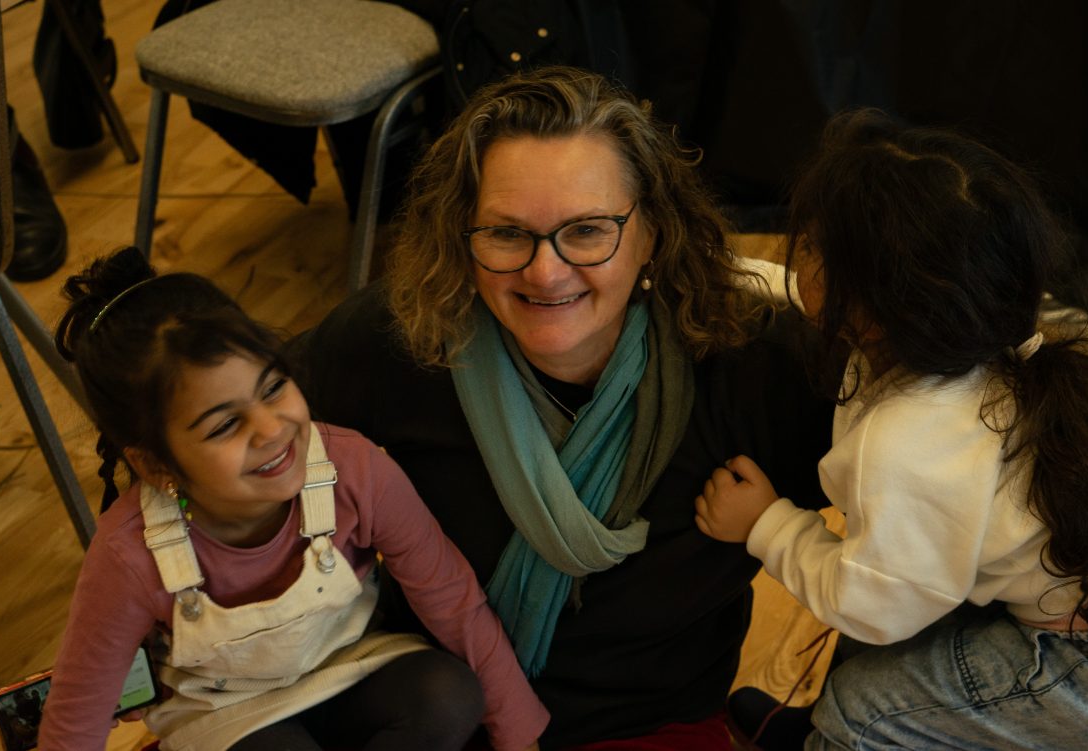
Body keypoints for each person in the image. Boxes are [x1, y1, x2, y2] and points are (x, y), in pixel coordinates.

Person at [694, 109, 1088, 750]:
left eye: (806, 243)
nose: (792, 249)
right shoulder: (990, 341)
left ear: (866, 301)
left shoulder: (907, 445)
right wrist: (724, 271)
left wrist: (766, 525)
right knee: (900, 585)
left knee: (865, 710)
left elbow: (874, 607)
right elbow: (808, 300)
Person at [296, 66, 835, 749]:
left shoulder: (752, 365)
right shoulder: (393, 343)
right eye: (505, 233)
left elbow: (937, 503)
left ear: (652, 233)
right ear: (459, 238)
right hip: (441, 714)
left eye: (586, 231)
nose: (544, 271)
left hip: (653, 728)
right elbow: (219, 426)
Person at [37, 247, 548, 750]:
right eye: (225, 425)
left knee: (450, 695)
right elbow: (79, 707)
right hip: (229, 716)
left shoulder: (355, 469)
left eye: (274, 386)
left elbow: (452, 599)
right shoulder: (130, 552)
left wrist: (520, 736)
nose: (271, 429)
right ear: (156, 464)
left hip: (352, 667)